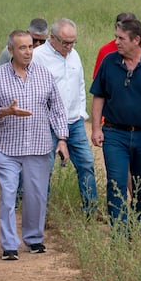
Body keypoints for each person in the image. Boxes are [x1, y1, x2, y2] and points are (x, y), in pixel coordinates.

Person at [0, 30, 68, 257]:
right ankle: (9, 245)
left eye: (30, 47)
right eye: (22, 48)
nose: (27, 52)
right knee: (8, 195)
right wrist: (5, 111)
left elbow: (58, 109)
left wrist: (62, 139)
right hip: (8, 148)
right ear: (10, 50)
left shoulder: (44, 74)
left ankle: (33, 239)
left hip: (38, 146)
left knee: (36, 195)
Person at [89, 17, 141, 229]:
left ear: (136, 40)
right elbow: (98, 96)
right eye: (116, 37)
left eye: (121, 38)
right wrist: (96, 128)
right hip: (114, 133)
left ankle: (139, 228)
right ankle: (119, 230)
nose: (116, 42)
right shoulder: (109, 61)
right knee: (116, 181)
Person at [32, 17, 98, 215]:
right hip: (48, 123)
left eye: (73, 42)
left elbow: (79, 85)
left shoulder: (74, 55)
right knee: (46, 169)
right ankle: (41, 214)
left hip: (74, 122)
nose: (69, 46)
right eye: (65, 42)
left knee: (86, 163)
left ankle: (90, 209)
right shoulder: (37, 57)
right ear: (52, 38)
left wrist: (80, 112)